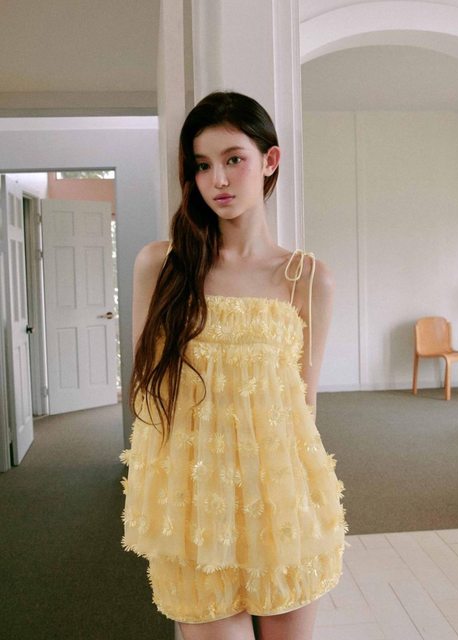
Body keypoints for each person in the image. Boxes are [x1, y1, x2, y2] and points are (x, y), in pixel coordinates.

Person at [120, 91, 346, 640]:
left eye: (233, 159)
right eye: (202, 165)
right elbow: (146, 395)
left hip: (281, 502)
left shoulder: (306, 277)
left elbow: (304, 402)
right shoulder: (161, 264)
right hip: (197, 510)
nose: (217, 179)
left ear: (269, 161)